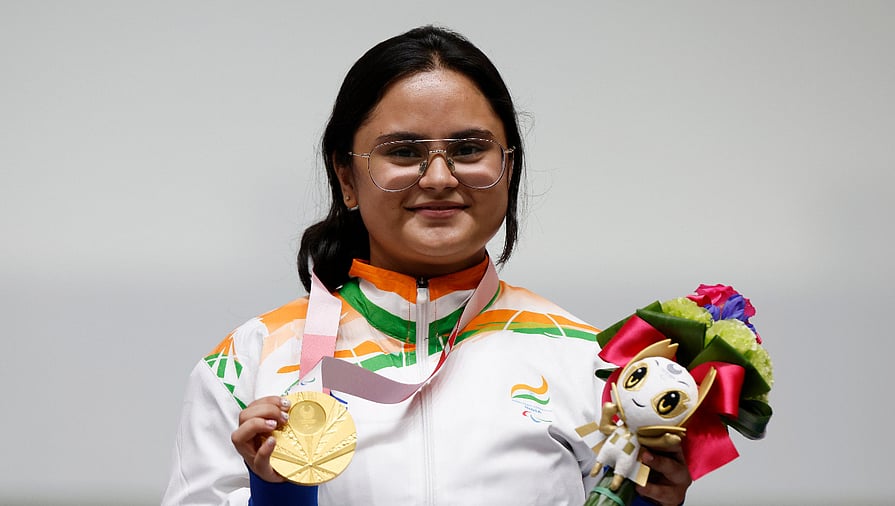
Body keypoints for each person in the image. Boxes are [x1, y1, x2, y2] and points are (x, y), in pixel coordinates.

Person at [162, 25, 692, 506]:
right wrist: (277, 496)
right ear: (346, 177)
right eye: (403, 152)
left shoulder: (591, 363)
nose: (439, 177)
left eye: (469, 149)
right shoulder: (247, 362)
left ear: (509, 168)